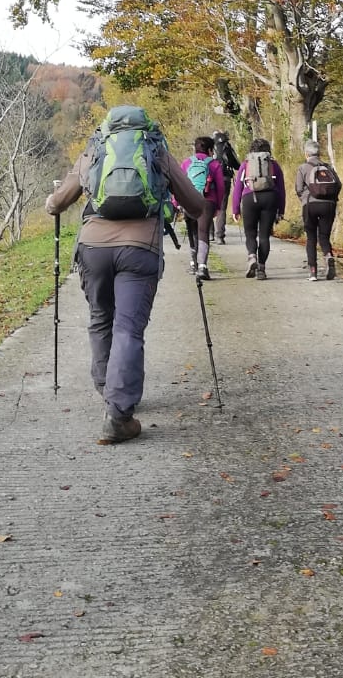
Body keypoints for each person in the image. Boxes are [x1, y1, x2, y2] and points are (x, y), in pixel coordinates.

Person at [45, 105, 205, 445]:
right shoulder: (155, 149)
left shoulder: (96, 149)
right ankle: (118, 414)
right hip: (140, 248)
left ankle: (109, 389)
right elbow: (195, 205)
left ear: (109, 126)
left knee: (101, 317)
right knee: (128, 327)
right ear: (146, 125)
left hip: (93, 248)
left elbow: (58, 203)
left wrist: (51, 203)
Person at [230, 138, 287, 279]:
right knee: (264, 236)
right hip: (270, 199)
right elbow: (281, 189)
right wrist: (281, 210)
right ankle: (261, 269)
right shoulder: (274, 165)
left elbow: (238, 188)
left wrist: (235, 209)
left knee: (250, 234)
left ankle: (252, 257)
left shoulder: (245, 164)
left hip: (250, 198)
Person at [294, 140, 341, 281]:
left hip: (310, 205)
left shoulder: (303, 168)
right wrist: (331, 199)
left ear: (306, 154)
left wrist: (304, 199)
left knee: (311, 238)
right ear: (319, 153)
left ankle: (313, 271)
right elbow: (339, 184)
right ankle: (328, 256)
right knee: (324, 236)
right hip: (329, 205)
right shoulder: (328, 167)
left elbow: (298, 188)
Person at [181, 136, 225, 282]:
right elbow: (220, 187)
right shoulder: (214, 164)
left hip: (189, 200)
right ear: (210, 150)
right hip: (207, 201)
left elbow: (179, 183)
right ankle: (202, 267)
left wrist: (176, 202)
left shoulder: (186, 163)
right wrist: (218, 206)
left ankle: (193, 263)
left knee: (192, 231)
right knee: (203, 232)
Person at [212, 130, 241, 244]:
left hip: (210, 180)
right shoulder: (227, 147)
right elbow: (237, 165)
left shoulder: (209, 146)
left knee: (208, 205)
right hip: (225, 180)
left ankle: (209, 233)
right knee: (222, 207)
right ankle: (220, 236)